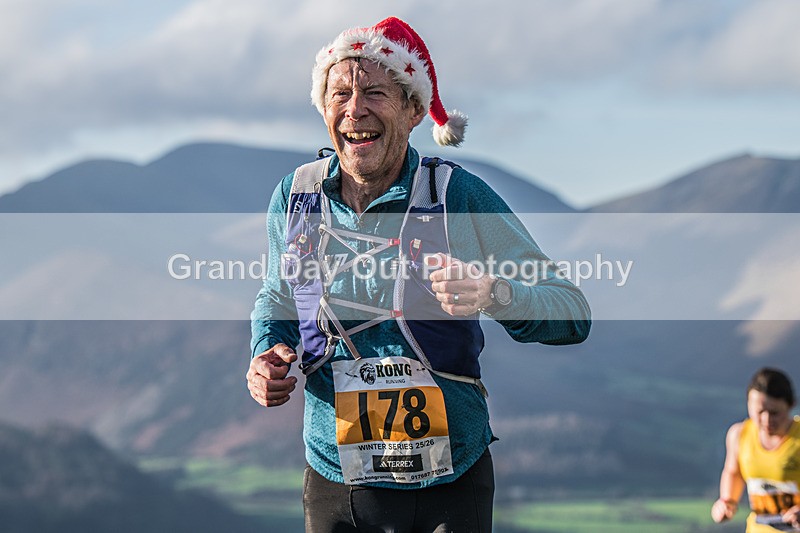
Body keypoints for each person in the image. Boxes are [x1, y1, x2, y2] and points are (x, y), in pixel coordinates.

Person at [247, 16, 591, 532]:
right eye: (339, 93)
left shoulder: (458, 197)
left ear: (412, 110)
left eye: (375, 93)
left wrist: (493, 293)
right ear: (323, 109)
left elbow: (571, 313)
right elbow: (276, 299)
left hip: (451, 482)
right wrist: (265, 353)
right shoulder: (296, 197)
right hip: (336, 478)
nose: (355, 109)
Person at [712, 367, 800, 532]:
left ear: (791, 405)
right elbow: (733, 471)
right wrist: (726, 502)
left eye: (774, 413)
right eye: (759, 412)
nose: (766, 420)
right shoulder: (739, 434)